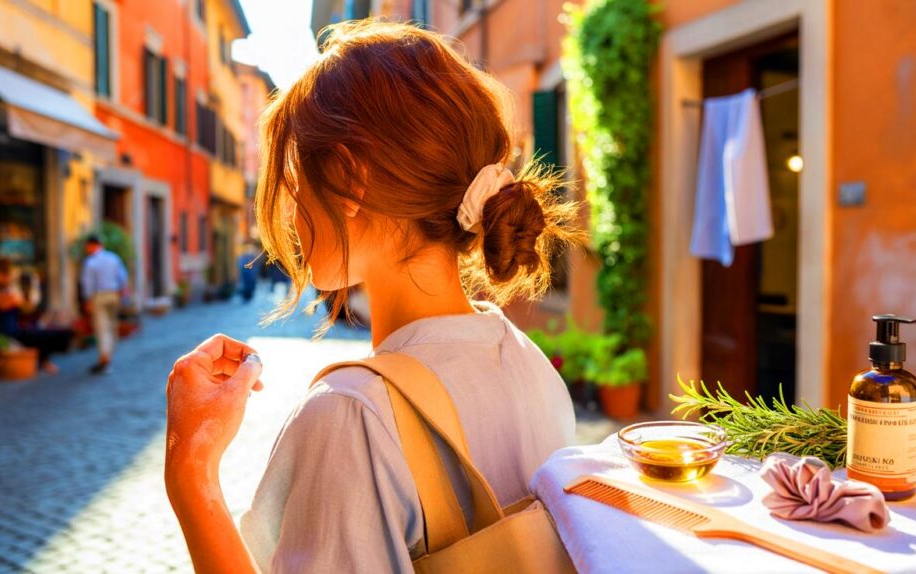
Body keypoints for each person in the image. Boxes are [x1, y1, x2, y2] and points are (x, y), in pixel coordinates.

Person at [164, 20, 583, 573]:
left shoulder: (352, 416)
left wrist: (189, 473)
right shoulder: (530, 363)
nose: (290, 210)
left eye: (295, 180)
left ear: (348, 179)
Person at [80, 234, 128, 374]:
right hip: (114, 295)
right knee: (112, 325)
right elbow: (123, 277)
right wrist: (123, 294)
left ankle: (104, 358)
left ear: (91, 246)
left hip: (99, 296)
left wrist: (88, 300)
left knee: (102, 327)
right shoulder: (113, 258)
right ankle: (109, 354)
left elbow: (88, 284)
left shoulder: (90, 262)